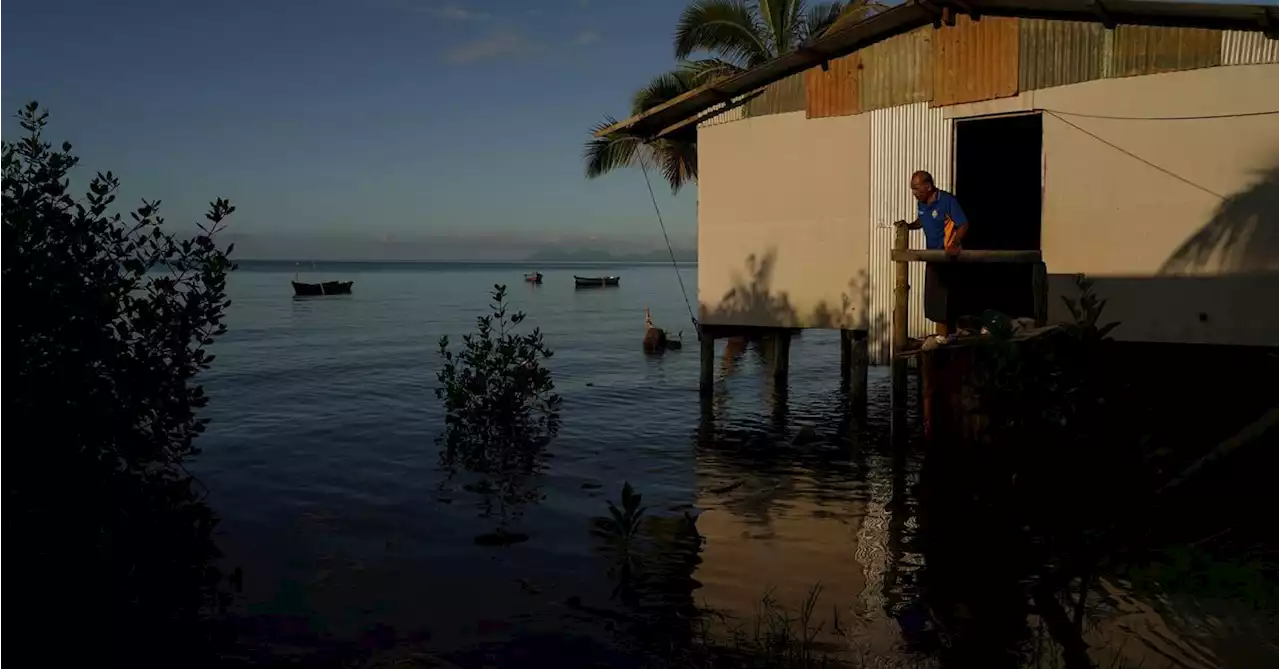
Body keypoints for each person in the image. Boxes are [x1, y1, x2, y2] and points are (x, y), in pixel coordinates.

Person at [898, 170, 969, 336]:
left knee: (945, 300)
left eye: (917, 189)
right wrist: (908, 226)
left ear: (928, 186)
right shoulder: (921, 204)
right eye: (912, 190)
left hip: (947, 257)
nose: (914, 193)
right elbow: (922, 221)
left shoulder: (946, 200)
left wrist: (954, 243)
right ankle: (943, 336)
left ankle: (947, 336)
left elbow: (963, 224)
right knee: (933, 301)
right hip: (932, 257)